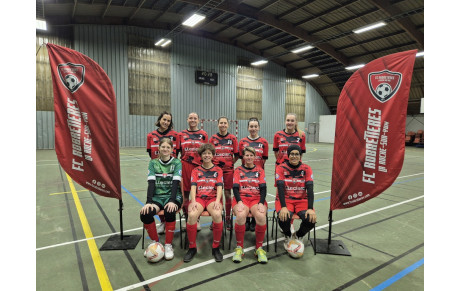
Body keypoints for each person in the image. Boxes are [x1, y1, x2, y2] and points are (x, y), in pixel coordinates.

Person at [140, 138, 182, 261]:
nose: (165, 149)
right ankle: (155, 243)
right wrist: (148, 202)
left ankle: (168, 245)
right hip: (157, 196)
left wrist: (172, 201)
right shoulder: (153, 163)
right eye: (163, 147)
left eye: (168, 147)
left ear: (172, 149)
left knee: (170, 211)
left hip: (173, 196)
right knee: (145, 214)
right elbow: (151, 183)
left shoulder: (177, 163)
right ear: (158, 148)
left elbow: (175, 183)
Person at [183, 143, 224, 263]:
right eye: (204, 153)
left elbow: (220, 187)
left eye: (209, 153)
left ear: (213, 155)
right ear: (201, 155)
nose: (207, 155)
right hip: (199, 198)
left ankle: (216, 248)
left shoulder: (218, 170)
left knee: (217, 214)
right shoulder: (196, 170)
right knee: (191, 215)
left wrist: (217, 201)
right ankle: (192, 248)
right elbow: (193, 187)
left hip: (212, 198)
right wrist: (193, 201)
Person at [275, 144, 317, 251]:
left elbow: (310, 189)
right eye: (292, 154)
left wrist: (310, 208)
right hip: (286, 199)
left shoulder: (307, 168)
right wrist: (283, 207)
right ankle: (288, 235)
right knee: (283, 217)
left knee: (310, 219)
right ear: (288, 155)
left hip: (302, 200)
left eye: (297, 154)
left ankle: (298, 235)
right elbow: (280, 188)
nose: (294, 156)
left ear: (300, 156)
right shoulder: (281, 168)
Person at [231, 146, 268, 264]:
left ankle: (259, 248)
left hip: (256, 198)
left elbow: (263, 188)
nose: (249, 157)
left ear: (255, 157)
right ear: (243, 157)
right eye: (247, 155)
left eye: (251, 155)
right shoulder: (238, 170)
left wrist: (261, 203)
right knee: (241, 215)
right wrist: (239, 202)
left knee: (261, 216)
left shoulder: (260, 170)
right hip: (241, 198)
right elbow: (235, 188)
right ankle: (239, 248)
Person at [146, 111, 180, 234]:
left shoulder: (176, 135)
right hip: (158, 169)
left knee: (173, 194)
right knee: (158, 194)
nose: (166, 122)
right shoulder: (151, 135)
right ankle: (163, 221)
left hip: (172, 170)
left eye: (168, 120)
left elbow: (178, 152)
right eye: (164, 119)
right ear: (159, 119)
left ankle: (170, 220)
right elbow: (151, 154)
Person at [178, 112, 208, 231]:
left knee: (197, 195)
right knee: (185, 194)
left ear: (198, 120)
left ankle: (197, 219)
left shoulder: (203, 134)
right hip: (185, 166)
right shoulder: (181, 134)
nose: (193, 120)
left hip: (199, 168)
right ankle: (187, 219)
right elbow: (177, 152)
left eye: (195, 118)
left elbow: (206, 152)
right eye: (191, 118)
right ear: (187, 120)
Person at [238, 117, 269, 232]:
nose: (253, 128)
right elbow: (242, 158)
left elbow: (263, 159)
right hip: (244, 175)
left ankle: (254, 221)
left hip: (258, 175)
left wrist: (257, 169)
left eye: (255, 126)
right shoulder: (242, 142)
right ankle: (246, 219)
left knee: (257, 195)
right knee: (245, 194)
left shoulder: (264, 142)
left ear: (259, 127)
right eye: (251, 126)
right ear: (248, 128)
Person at [209, 116, 238, 230]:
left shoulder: (232, 138)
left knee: (227, 193)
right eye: (221, 123)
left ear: (228, 125)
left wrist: (230, 163)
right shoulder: (213, 138)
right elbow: (209, 154)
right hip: (215, 172)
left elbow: (236, 155)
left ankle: (227, 218)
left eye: (225, 123)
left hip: (228, 171)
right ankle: (216, 217)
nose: (223, 125)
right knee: (216, 194)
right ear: (218, 124)